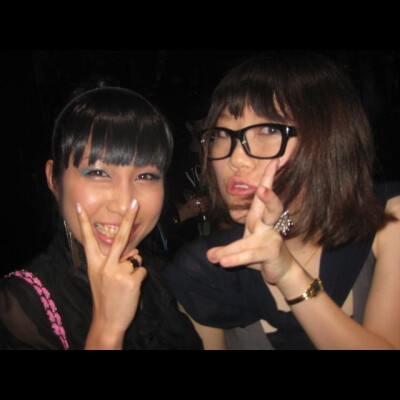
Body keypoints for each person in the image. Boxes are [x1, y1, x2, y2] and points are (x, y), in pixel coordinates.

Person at [163, 51, 400, 350]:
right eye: (221, 134)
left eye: (268, 130)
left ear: (329, 139)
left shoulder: (390, 219)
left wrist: (289, 274)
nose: (236, 158)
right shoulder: (203, 269)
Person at [0, 85, 203, 350]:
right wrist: (107, 329)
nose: (124, 205)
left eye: (146, 176)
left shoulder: (163, 274)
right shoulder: (20, 309)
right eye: (98, 173)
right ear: (54, 180)